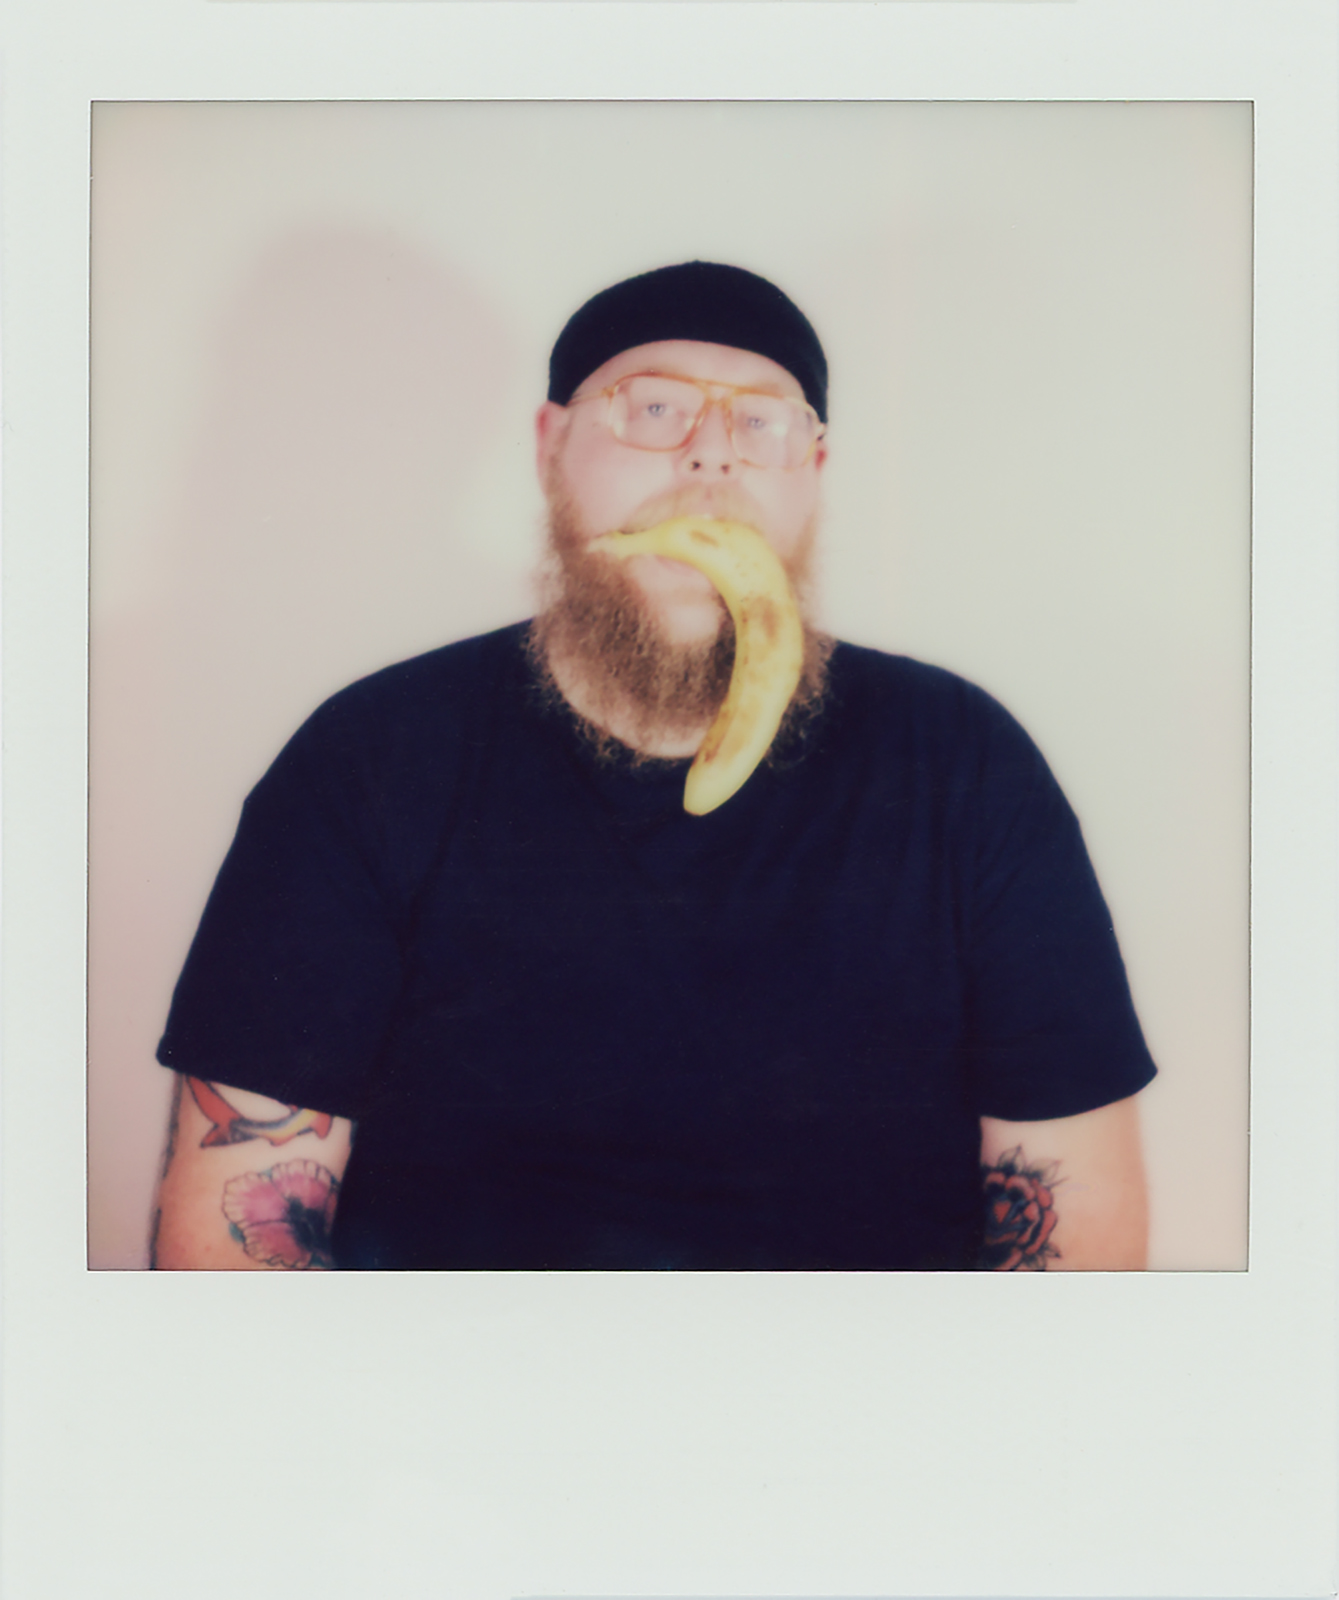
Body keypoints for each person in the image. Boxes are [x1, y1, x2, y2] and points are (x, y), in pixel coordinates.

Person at [151, 260, 1156, 1273]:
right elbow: (227, 1236)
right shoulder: (369, 760)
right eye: (654, 407)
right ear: (551, 446)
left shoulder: (965, 765)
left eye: (760, 422)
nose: (709, 455)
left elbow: (1077, 1216)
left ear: (812, 470)